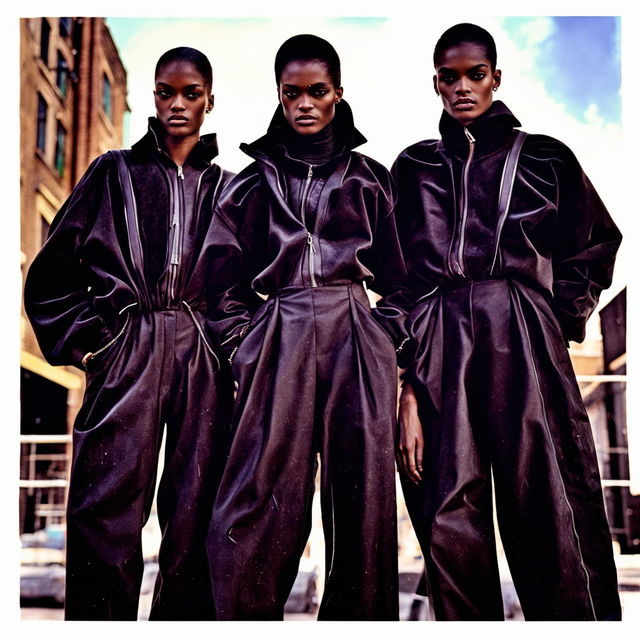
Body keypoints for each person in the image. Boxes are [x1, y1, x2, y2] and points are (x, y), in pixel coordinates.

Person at [392, 23, 622, 621]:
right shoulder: (413, 167)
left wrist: (554, 318)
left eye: (475, 74)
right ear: (435, 82)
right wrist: (407, 383)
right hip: (437, 335)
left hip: (521, 332)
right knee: (448, 511)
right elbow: (394, 277)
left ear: (496, 77)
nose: (462, 87)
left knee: (551, 506)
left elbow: (595, 242)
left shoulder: (546, 156)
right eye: (449, 77)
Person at [202, 34, 409, 621]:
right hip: (278, 331)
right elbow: (222, 278)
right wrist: (243, 345)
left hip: (354, 330)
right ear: (279, 95)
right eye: (291, 93)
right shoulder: (248, 183)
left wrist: (384, 337)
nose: (305, 104)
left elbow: (403, 277)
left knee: (362, 504)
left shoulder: (371, 178)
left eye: (318, 91)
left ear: (339, 94)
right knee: (253, 500)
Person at [24, 46, 234, 621]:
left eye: (191, 94)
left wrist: (227, 347)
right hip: (129, 347)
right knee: (104, 508)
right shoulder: (113, 171)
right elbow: (51, 273)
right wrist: (97, 343)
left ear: (210, 101)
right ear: (153, 96)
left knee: (197, 509)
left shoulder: (229, 187)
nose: (177, 105)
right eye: (166, 92)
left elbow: (247, 283)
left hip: (202, 354)